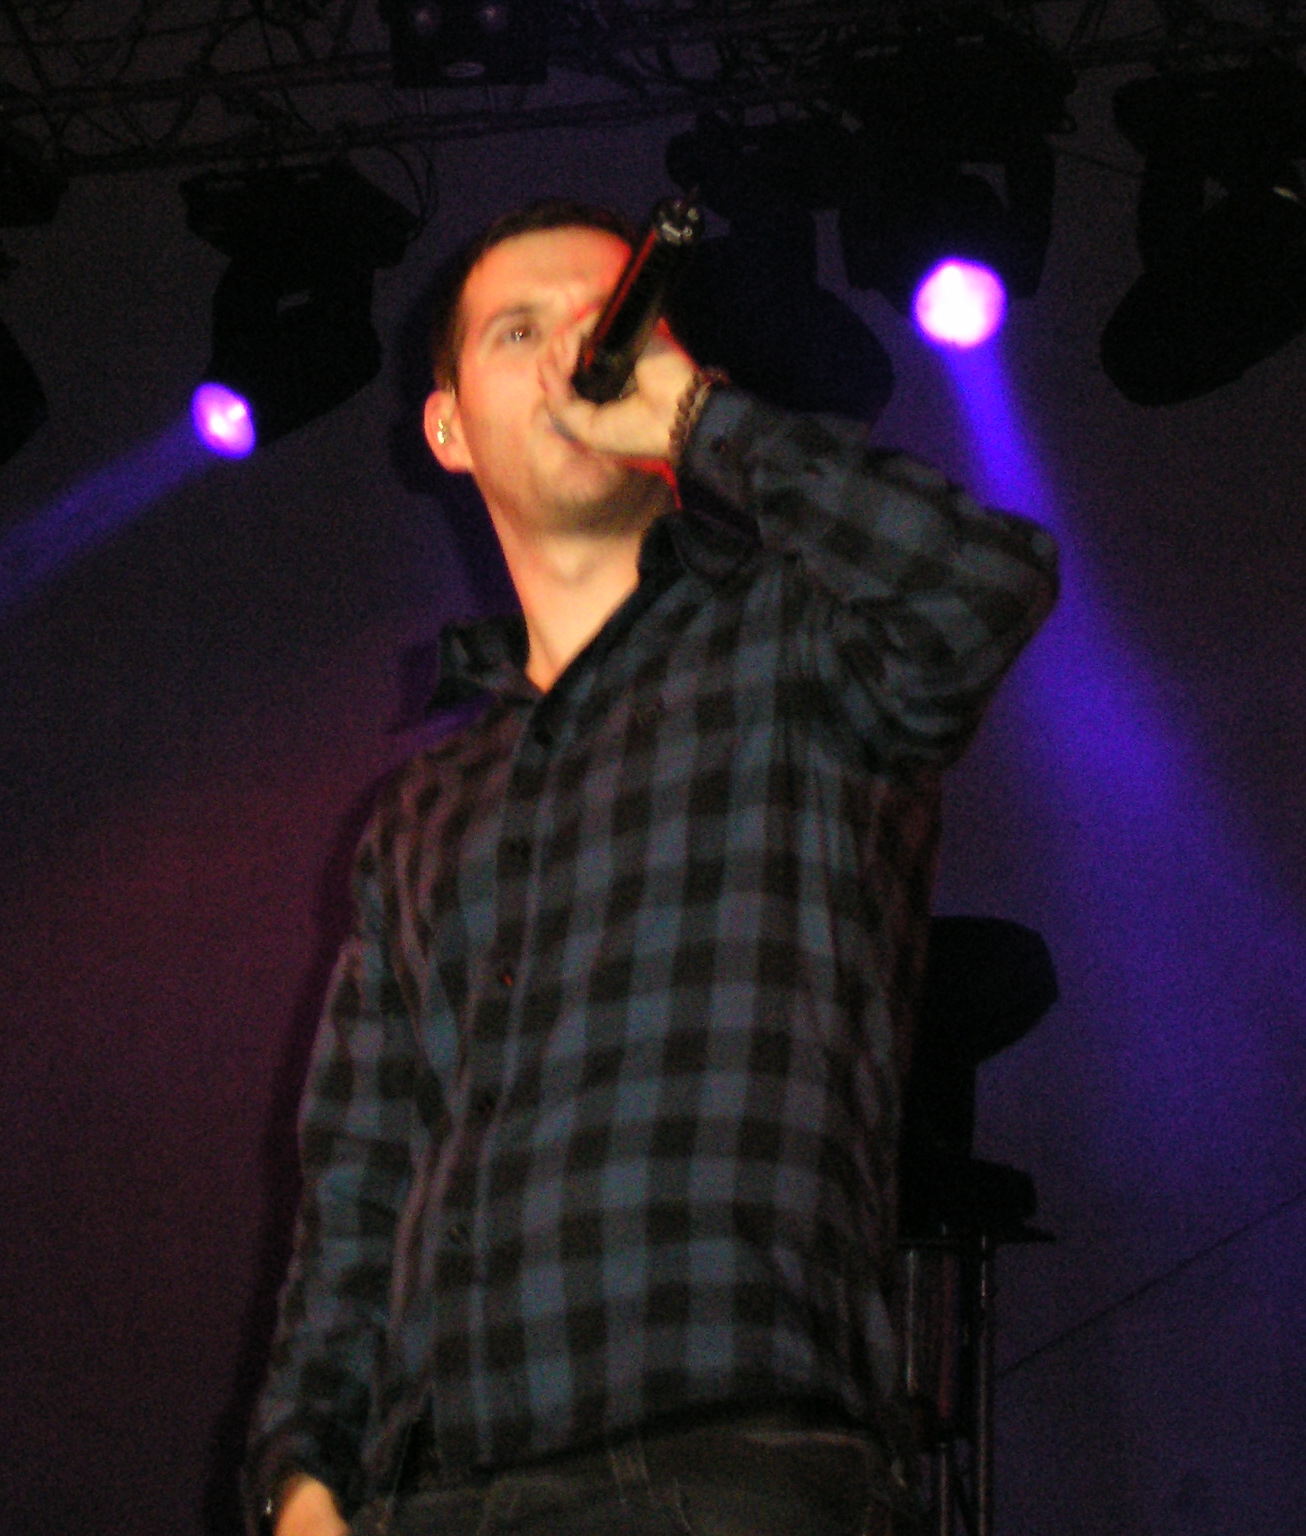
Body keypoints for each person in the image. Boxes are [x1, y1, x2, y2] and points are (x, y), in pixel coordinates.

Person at [245, 199, 1059, 1536]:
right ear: (447, 428)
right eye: (519, 332)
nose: (576, 350)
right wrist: (304, 1480)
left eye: (606, 320)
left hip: (721, 1470)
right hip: (427, 1496)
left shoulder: (796, 646)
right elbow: (358, 1181)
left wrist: (700, 423)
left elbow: (982, 585)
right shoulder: (423, 811)